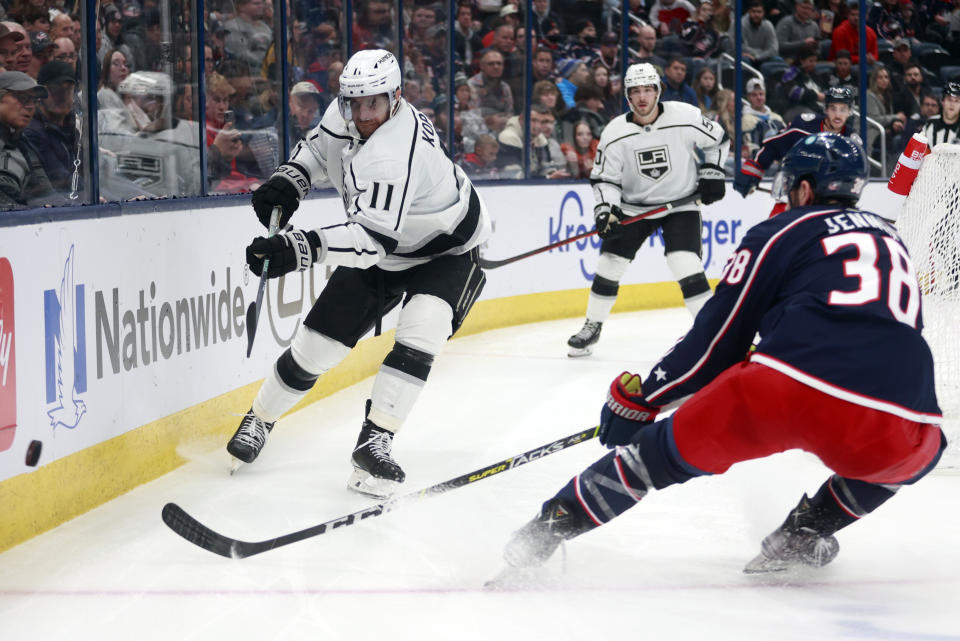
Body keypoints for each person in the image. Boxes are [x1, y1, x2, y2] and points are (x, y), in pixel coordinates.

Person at [497, 133, 946, 579]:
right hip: (896, 404)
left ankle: (541, 535)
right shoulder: (894, 240)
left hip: (785, 388)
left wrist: (645, 399)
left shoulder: (782, 230)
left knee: (650, 461)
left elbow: (717, 340)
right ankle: (804, 532)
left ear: (805, 189)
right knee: (924, 450)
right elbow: (893, 333)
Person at [227, 50, 491, 500]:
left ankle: (376, 440)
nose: (364, 114)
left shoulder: (394, 153)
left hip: (447, 251)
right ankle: (260, 417)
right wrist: (291, 180)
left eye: (374, 104)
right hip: (389, 245)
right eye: (356, 103)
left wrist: (297, 248)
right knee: (315, 348)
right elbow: (317, 148)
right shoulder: (348, 109)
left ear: (396, 97)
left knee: (422, 329)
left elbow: (371, 243)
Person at [566, 63, 729, 356]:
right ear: (627, 96)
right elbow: (605, 179)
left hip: (680, 203)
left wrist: (713, 171)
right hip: (633, 207)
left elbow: (719, 140)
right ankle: (592, 325)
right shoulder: (615, 132)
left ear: (658, 92)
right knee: (610, 264)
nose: (642, 97)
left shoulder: (685, 116)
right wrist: (606, 210)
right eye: (636, 91)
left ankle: (711, 332)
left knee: (684, 261)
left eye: (648, 90)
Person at [736, 86, 855, 200]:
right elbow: (774, 146)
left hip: (831, 200)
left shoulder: (852, 142)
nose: (838, 115)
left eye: (843, 109)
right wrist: (753, 172)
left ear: (850, 111)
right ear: (826, 109)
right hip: (795, 196)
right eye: (833, 108)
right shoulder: (804, 126)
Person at [0, 71, 68, 209]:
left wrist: (77, 204)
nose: (30, 106)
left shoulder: (21, 142)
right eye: (22, 98)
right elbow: (6, 206)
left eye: (34, 101)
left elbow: (45, 192)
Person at [22, 60, 77, 196]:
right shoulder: (33, 131)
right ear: (40, 95)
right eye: (56, 91)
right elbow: (61, 178)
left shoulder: (73, 125)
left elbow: (90, 171)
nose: (63, 97)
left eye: (68, 90)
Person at [922, 81, 960, 147]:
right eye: (949, 100)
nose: (952, 104)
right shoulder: (930, 123)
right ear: (942, 101)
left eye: (956, 101)